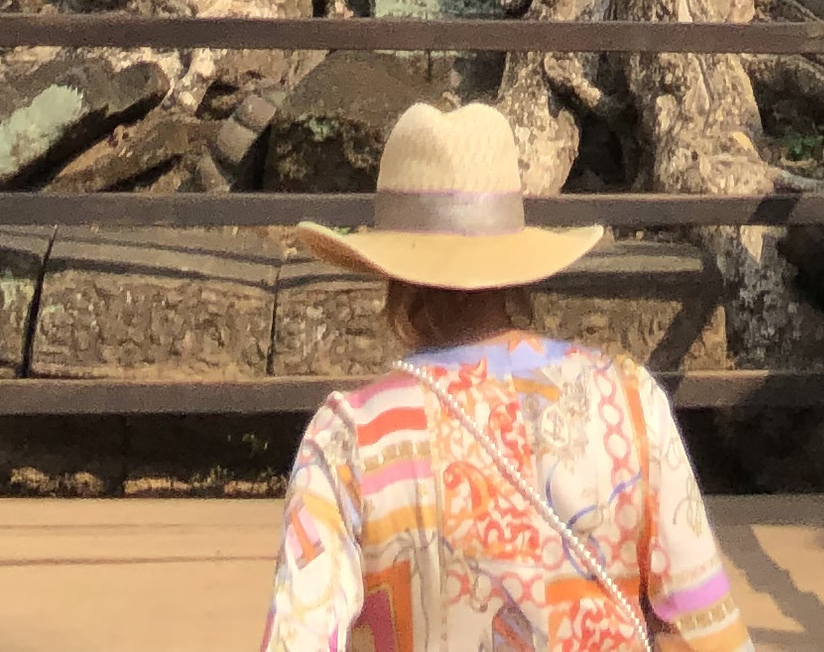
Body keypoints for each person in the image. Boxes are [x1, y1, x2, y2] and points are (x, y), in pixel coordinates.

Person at [261, 96, 753, 651]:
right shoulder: (631, 400)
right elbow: (703, 629)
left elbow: (296, 635)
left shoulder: (352, 439)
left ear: (394, 284)